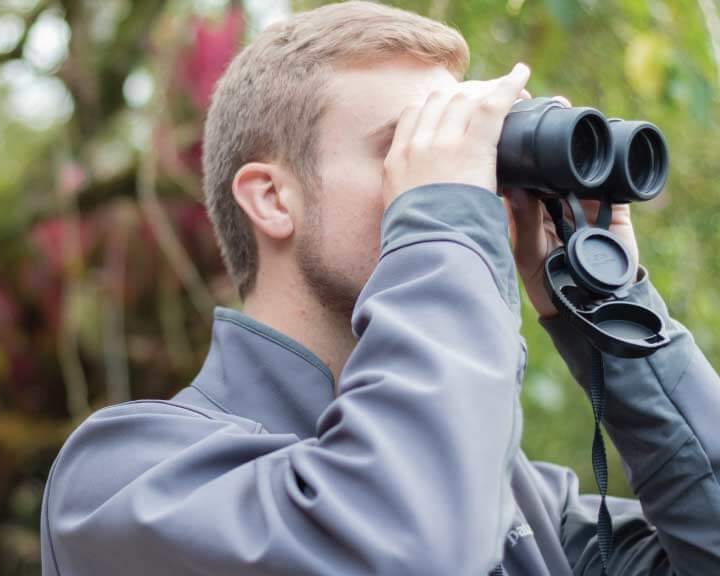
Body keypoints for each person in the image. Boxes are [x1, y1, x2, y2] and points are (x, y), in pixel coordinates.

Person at [40, 2, 720, 574]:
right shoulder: (122, 482)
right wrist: (446, 221)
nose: (465, 181)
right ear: (273, 198)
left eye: (465, 153)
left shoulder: (519, 502)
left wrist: (608, 310)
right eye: (406, 148)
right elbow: (411, 542)